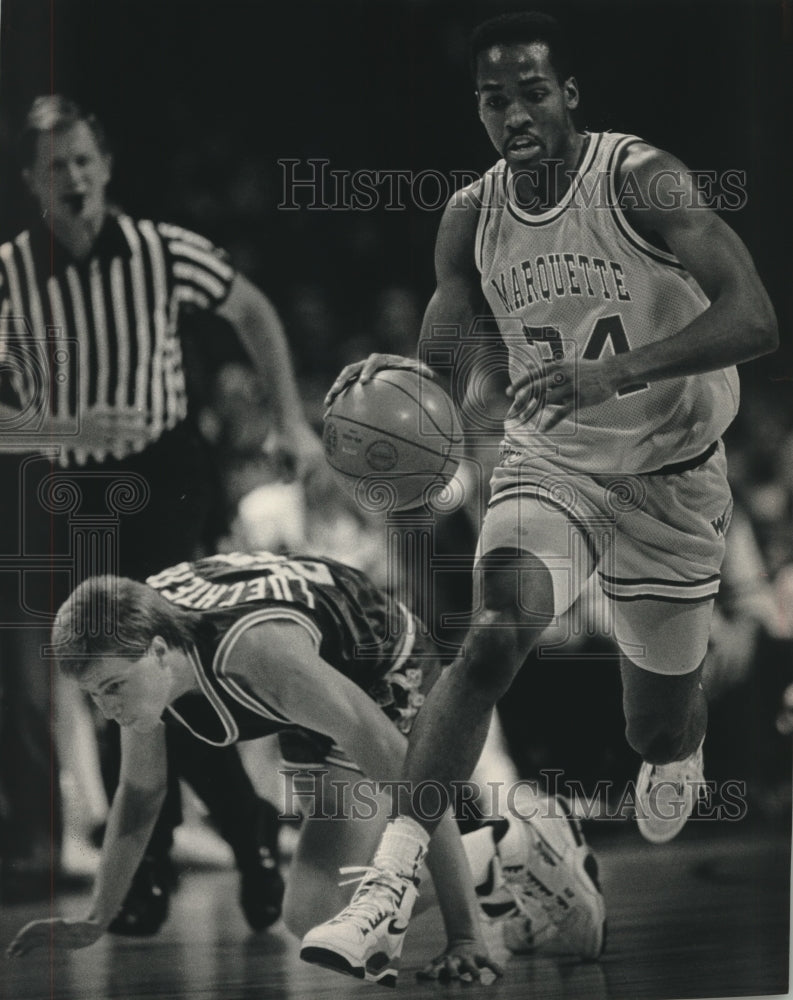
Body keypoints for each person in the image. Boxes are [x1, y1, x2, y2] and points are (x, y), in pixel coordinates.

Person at [303, 9, 778, 985]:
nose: (511, 110)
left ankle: (673, 746)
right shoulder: (469, 215)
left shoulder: (643, 179)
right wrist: (396, 421)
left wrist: (623, 372)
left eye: (530, 90)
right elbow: (438, 367)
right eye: (491, 96)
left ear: (568, 96)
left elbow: (754, 316)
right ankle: (388, 887)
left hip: (670, 478)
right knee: (490, 634)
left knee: (656, 722)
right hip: (548, 463)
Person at [0, 95, 322, 928]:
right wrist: (71, 425)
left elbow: (252, 309)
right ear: (33, 183)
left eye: (83, 160)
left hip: (170, 476)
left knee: (162, 665)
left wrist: (289, 420)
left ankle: (166, 851)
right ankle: (229, 826)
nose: (72, 177)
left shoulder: (159, 249)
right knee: (107, 673)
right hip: (73, 488)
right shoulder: (8, 275)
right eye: (55, 166)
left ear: (104, 168)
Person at [6, 550, 606, 984]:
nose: (106, 710)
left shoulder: (262, 658)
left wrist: (465, 937)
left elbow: (416, 786)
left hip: (382, 665)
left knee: (335, 893)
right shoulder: (146, 654)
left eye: (112, 688)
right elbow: (139, 799)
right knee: (310, 915)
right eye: (94, 697)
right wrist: (94, 919)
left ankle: (509, 847)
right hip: (316, 675)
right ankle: (506, 851)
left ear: (161, 652)